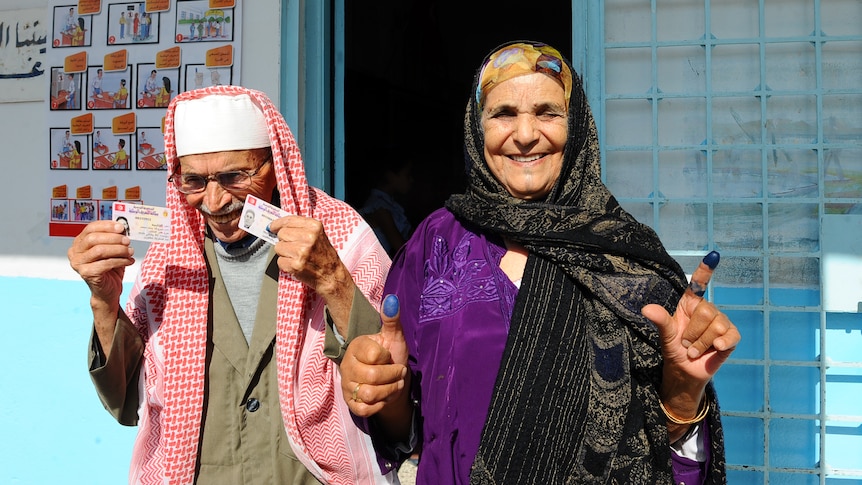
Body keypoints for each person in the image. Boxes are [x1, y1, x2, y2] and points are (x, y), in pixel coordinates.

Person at [340, 41, 741, 484]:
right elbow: (414, 435)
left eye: (548, 112)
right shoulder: (436, 244)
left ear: (577, 126)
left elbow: (659, 454)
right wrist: (389, 393)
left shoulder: (626, 258)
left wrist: (684, 392)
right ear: (477, 129)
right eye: (504, 113)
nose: (526, 134)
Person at [67, 86, 396, 484]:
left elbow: (392, 388)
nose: (216, 200)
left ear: (274, 165)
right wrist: (104, 301)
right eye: (194, 181)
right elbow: (125, 404)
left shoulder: (341, 241)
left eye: (233, 176)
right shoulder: (167, 261)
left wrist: (333, 281)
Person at [359, 151, 414, 255]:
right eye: (407, 175)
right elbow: (402, 252)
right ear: (391, 176)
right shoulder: (379, 208)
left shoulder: (391, 205)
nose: (411, 180)